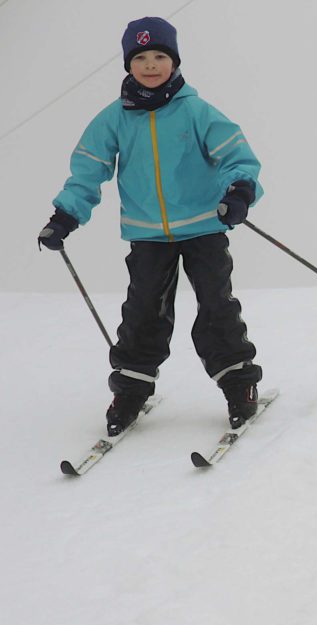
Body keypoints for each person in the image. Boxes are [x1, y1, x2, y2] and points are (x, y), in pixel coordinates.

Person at [38, 17, 264, 435]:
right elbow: (88, 170)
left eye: (160, 56)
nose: (151, 65)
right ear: (128, 64)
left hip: (203, 227)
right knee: (143, 311)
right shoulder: (115, 119)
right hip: (147, 234)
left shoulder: (196, 111)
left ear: (174, 61)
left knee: (216, 305)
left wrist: (239, 192)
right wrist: (64, 217)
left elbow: (236, 154)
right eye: (140, 58)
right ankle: (131, 390)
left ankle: (239, 384)